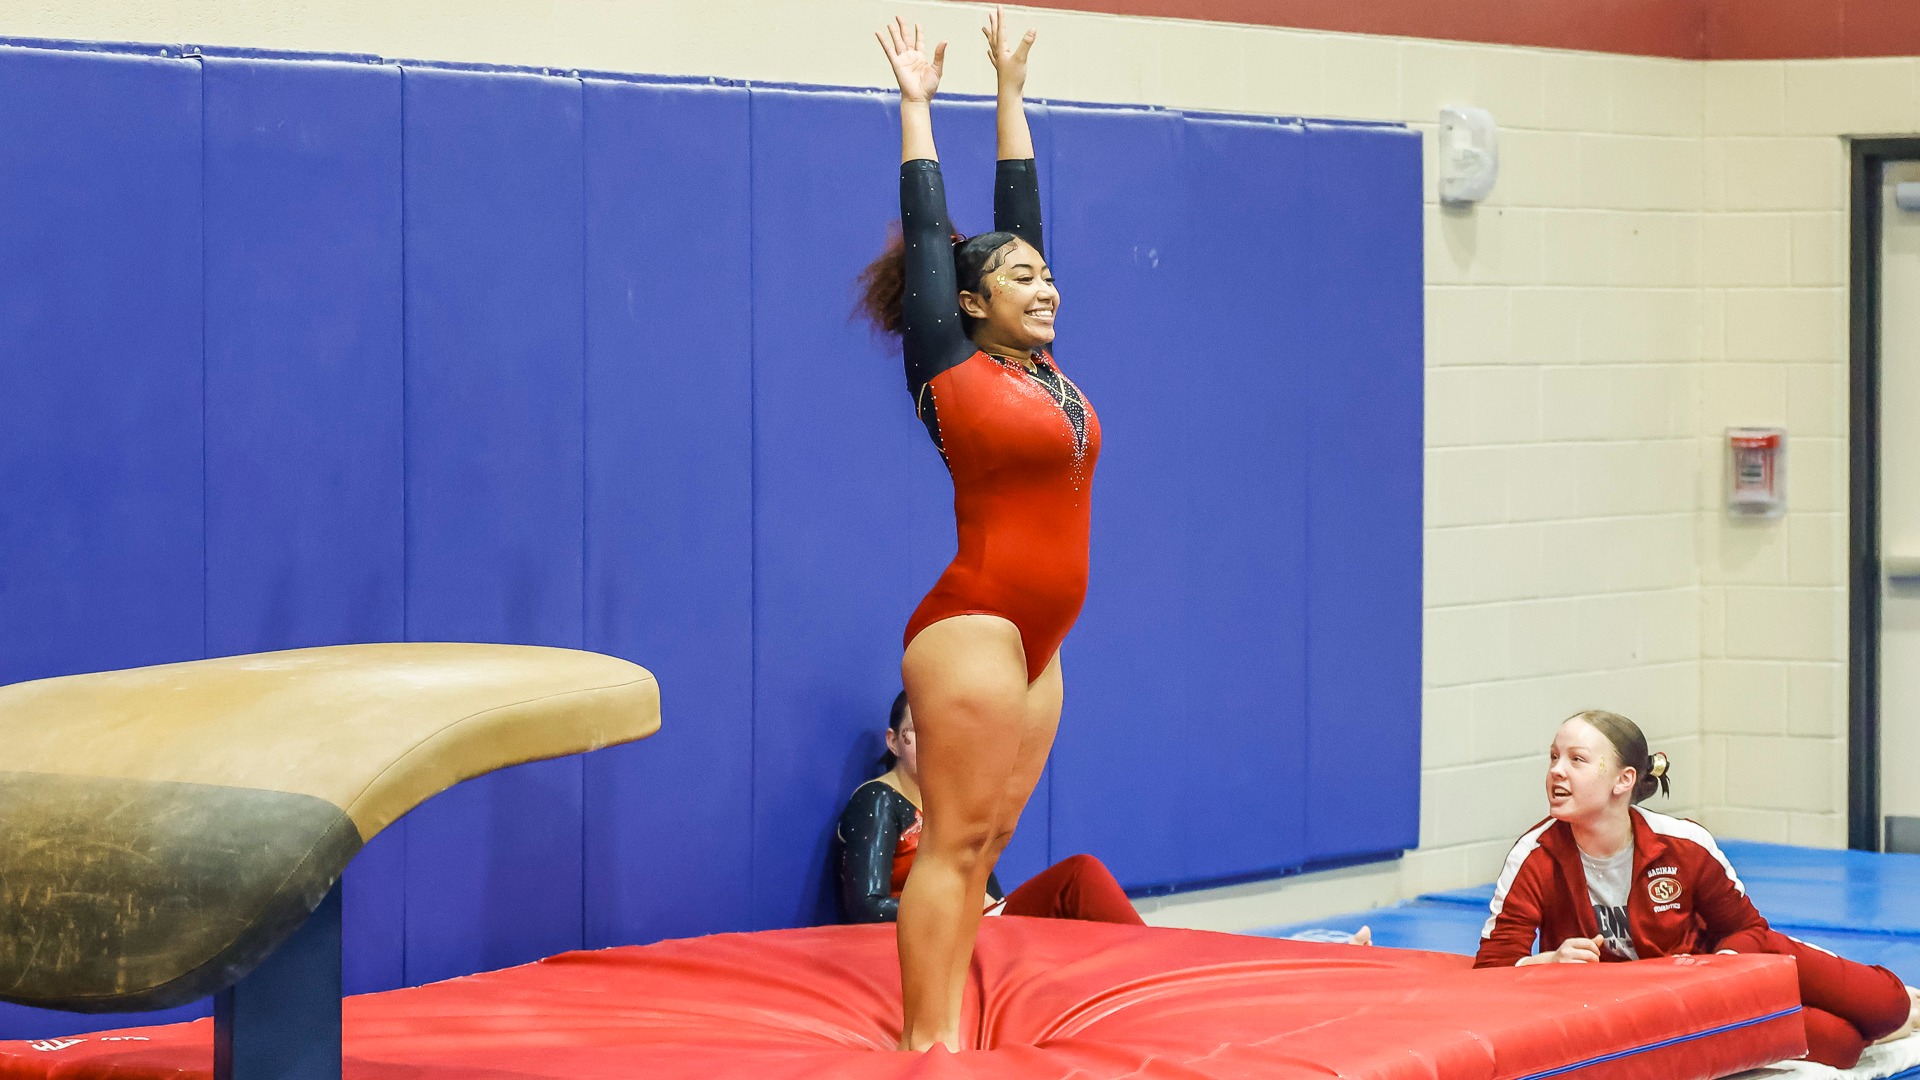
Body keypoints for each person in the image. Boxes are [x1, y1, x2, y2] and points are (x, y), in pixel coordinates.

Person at [859, 9, 1099, 1051]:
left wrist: (1009, 90)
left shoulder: (1041, 369)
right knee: (952, 839)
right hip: (977, 622)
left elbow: (1019, 213)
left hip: (1042, 641)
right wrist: (918, 106)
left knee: (993, 834)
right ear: (967, 303)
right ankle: (926, 1042)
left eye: (1047, 275)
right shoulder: (948, 369)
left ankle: (951, 1017)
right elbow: (929, 232)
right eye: (1021, 279)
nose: (1045, 286)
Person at [1477, 709, 1920, 1068]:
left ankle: (1906, 1004)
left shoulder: (1682, 844)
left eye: (1576, 760)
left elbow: (1748, 928)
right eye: (1553, 757)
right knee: (1840, 1045)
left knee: (1887, 1006)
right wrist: (1548, 961)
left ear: (1623, 780)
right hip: (1664, 1009)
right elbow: (1491, 971)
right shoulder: (1534, 856)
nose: (1556, 771)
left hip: (1730, 970)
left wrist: (1721, 969)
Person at [837, 691, 1144, 926]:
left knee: (1079, 875)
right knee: (1076, 879)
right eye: (920, 730)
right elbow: (866, 907)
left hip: (980, 926)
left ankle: (1154, 966)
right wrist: (957, 908)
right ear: (893, 741)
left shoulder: (952, 802)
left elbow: (991, 896)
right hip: (930, 938)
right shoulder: (878, 798)